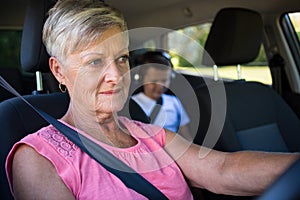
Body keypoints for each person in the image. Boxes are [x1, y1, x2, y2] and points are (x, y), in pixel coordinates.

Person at [5, 0, 299, 199]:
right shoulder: (38, 158)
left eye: (121, 58)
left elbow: (223, 170)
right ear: (59, 70)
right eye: (95, 62)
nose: (116, 75)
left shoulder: (149, 134)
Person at [130, 50, 192, 139]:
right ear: (141, 79)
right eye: (154, 81)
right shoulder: (133, 103)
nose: (159, 86)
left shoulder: (174, 102)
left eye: (164, 80)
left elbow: (186, 134)